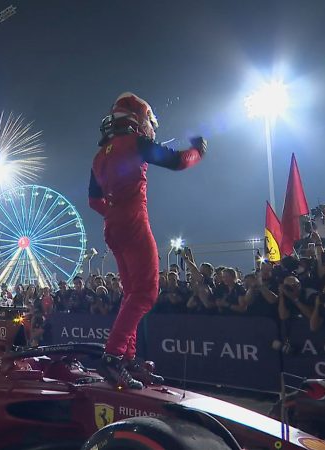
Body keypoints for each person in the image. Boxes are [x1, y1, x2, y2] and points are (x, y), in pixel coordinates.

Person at [89, 92, 206, 388]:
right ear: (138, 119)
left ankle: (127, 359)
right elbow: (178, 161)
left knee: (131, 294)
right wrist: (198, 151)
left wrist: (113, 213)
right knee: (145, 293)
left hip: (113, 226)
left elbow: (93, 200)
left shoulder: (99, 156)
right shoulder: (135, 143)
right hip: (133, 222)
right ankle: (114, 357)